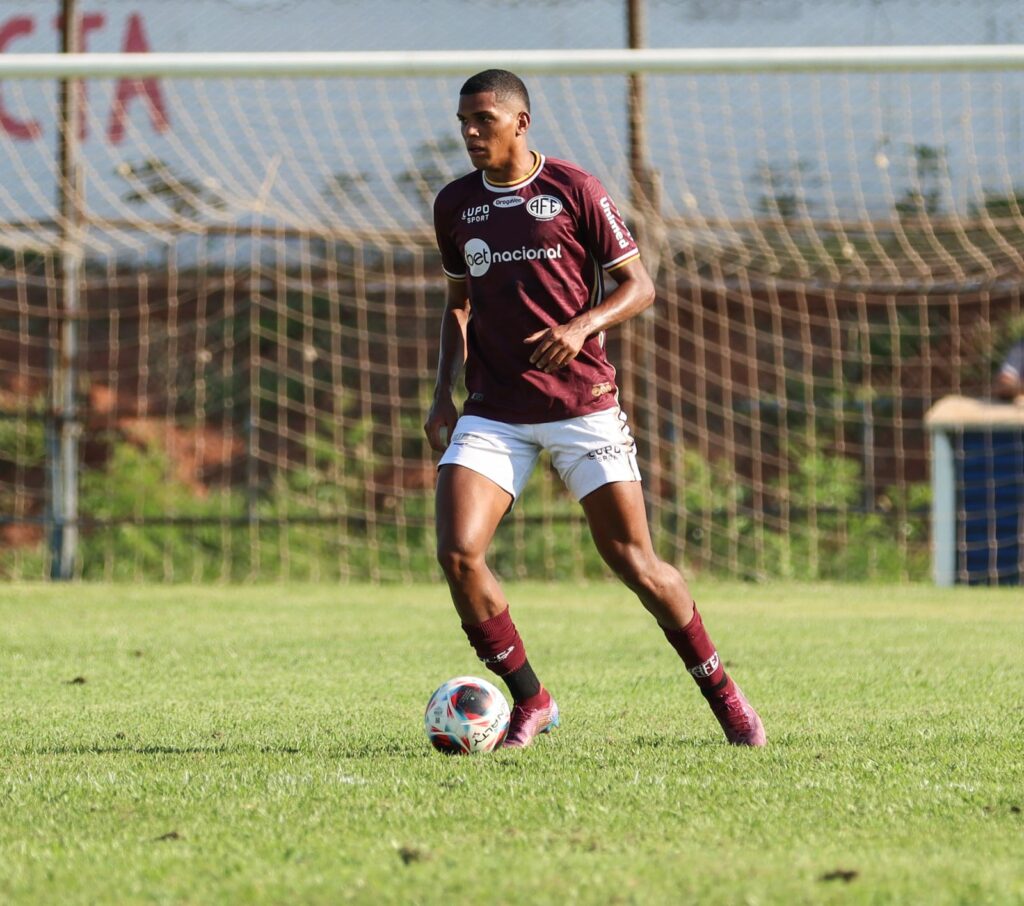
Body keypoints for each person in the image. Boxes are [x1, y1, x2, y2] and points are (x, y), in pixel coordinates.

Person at [424, 69, 765, 749]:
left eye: (483, 119)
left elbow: (640, 286)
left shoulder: (574, 190)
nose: (469, 132)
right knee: (459, 554)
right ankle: (532, 700)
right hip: (493, 408)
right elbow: (458, 303)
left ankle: (725, 697)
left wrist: (580, 327)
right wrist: (442, 391)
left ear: (521, 123)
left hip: (583, 403)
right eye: (463, 120)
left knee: (634, 561)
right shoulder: (455, 204)